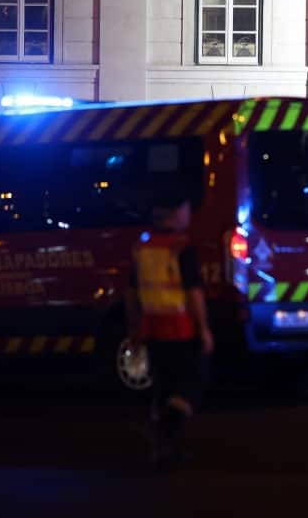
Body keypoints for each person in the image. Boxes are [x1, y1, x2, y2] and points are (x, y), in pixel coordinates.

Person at [126, 189, 213, 467]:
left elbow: (131, 294)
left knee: (164, 388)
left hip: (152, 328)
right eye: (186, 208)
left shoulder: (141, 247)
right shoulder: (180, 247)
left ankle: (165, 451)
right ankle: (163, 431)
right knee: (192, 386)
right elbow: (194, 293)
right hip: (181, 328)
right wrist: (204, 328)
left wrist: (135, 327)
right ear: (175, 213)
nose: (189, 214)